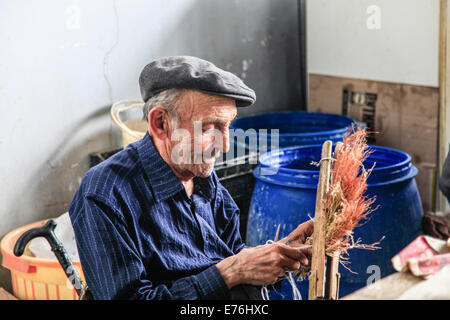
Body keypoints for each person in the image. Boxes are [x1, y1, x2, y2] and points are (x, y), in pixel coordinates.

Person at [69, 56, 314, 300]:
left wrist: (279, 256)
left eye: (227, 126)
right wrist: (231, 271)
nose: (225, 145)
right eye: (209, 128)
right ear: (161, 123)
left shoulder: (201, 176)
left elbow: (230, 254)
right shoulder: (104, 193)